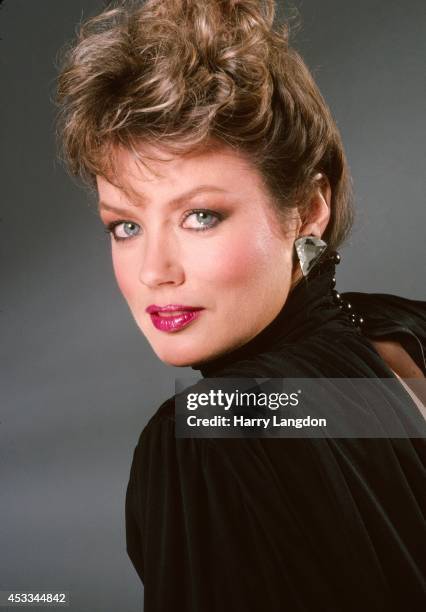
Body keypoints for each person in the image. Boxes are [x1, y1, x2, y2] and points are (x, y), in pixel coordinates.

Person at [55, 1, 426, 610]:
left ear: (308, 208)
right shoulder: (406, 330)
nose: (154, 271)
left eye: (201, 216)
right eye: (124, 227)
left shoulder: (205, 437)